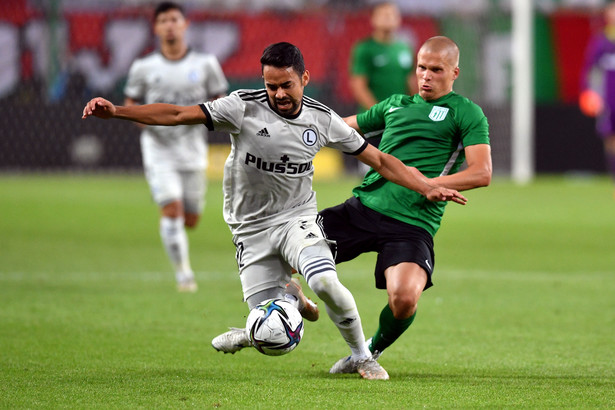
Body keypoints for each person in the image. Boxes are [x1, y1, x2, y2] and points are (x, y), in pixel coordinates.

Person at [82, 42, 466, 380]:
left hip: (297, 218)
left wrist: (428, 185)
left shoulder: (322, 118)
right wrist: (117, 112)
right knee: (272, 334)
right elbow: (179, 115)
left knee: (326, 282)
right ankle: (276, 311)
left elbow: (381, 161)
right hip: (249, 229)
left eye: (287, 85)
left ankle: (362, 357)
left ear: (304, 78)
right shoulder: (242, 107)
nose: (279, 94)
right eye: (271, 86)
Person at [320, 36, 492, 375]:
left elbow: (482, 172)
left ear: (454, 72)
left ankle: (367, 352)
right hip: (364, 207)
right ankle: (288, 309)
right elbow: (340, 127)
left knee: (404, 299)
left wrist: (433, 186)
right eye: (421, 68)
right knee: (286, 249)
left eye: (436, 70)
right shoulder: (394, 104)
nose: (426, 76)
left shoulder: (466, 112)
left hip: (412, 223)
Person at [123, 2, 229, 292]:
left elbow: (221, 99)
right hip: (158, 149)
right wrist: (148, 124)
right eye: (163, 21)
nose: (170, 25)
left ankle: (178, 238)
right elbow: (131, 102)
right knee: (171, 208)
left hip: (193, 148)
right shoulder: (144, 67)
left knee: (191, 218)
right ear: (156, 28)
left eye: (174, 19)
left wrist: (213, 118)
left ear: (185, 25)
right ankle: (184, 275)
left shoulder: (205, 64)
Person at [349, 1, 416, 114]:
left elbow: (411, 81)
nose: (388, 18)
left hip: (399, 115)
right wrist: (378, 111)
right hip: (372, 117)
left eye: (392, 15)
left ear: (399, 19)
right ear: (373, 19)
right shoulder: (365, 48)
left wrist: (415, 107)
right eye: (383, 15)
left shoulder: (405, 48)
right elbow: (359, 86)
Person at [579, 1, 615, 195]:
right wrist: (588, 92)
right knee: (610, 138)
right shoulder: (601, 41)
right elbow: (589, 70)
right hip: (609, 101)